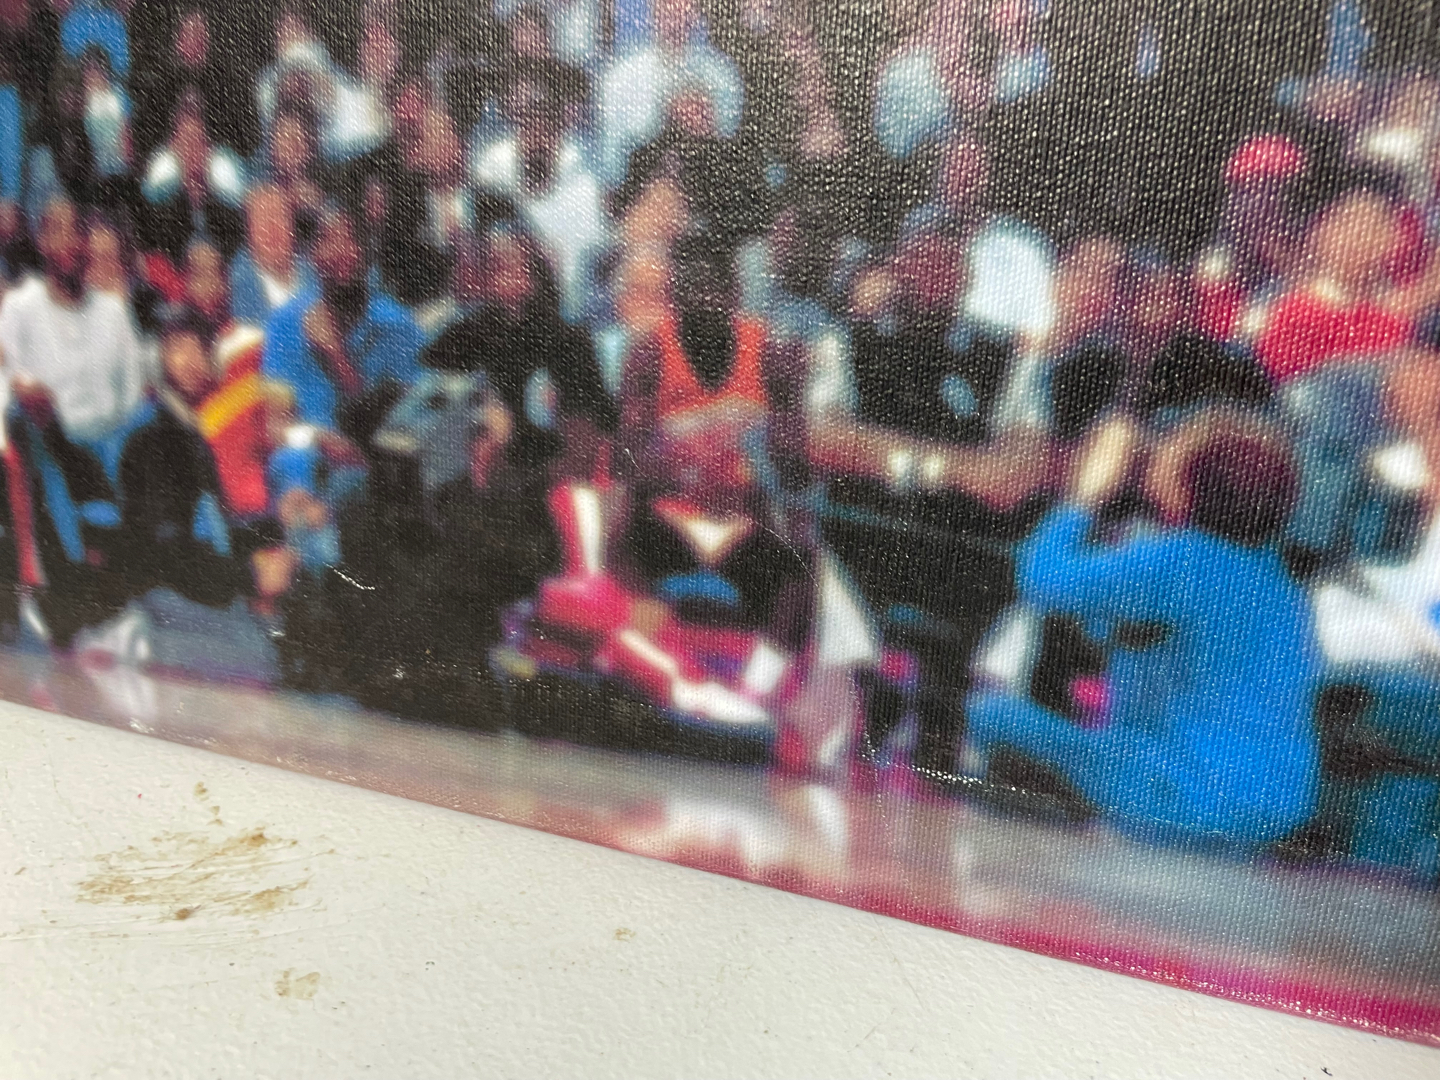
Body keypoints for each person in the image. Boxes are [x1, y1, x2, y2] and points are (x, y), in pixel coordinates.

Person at [967, 411, 1321, 847]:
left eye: (1170, 449)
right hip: (1274, 803)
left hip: (1186, 791)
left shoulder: (1184, 559)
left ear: (1193, 486)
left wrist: (1084, 497)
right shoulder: (1276, 577)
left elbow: (1041, 578)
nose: (1155, 453)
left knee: (988, 714)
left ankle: (1046, 846)